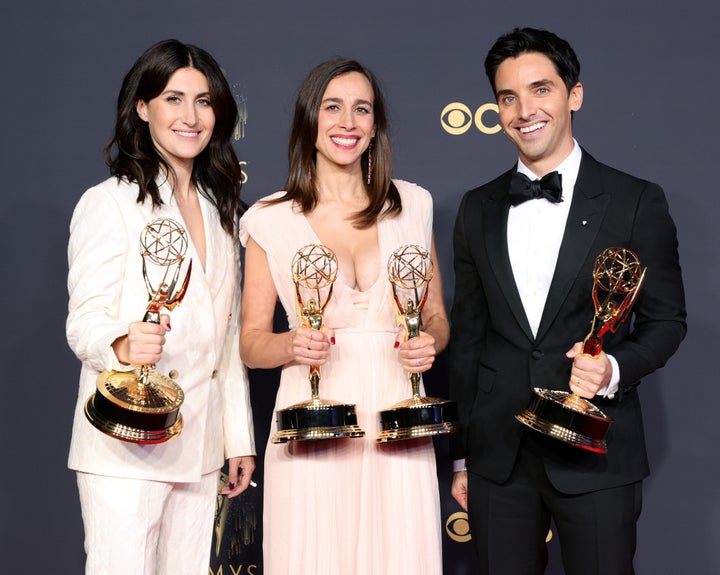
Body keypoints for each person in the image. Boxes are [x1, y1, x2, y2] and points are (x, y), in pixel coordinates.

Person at [448, 27, 686, 575]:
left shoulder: (634, 200)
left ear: (573, 95)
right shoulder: (477, 207)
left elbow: (667, 322)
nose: (524, 110)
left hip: (596, 452)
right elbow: (469, 339)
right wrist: (461, 455)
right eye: (508, 97)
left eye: (541, 90)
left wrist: (612, 370)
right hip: (497, 460)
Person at [239, 58, 448, 574]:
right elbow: (249, 341)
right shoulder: (269, 219)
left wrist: (431, 342)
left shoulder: (413, 205)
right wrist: (290, 345)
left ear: (375, 125)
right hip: (313, 420)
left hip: (397, 416)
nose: (347, 123)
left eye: (362, 109)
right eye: (333, 107)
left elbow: (437, 316)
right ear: (309, 120)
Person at [66, 39, 256, 575]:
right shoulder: (108, 202)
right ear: (142, 108)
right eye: (174, 99)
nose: (190, 116)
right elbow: (83, 322)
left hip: (198, 445)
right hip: (126, 443)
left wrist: (236, 437)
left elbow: (228, 337)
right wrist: (122, 343)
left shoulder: (224, 211)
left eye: (204, 101)